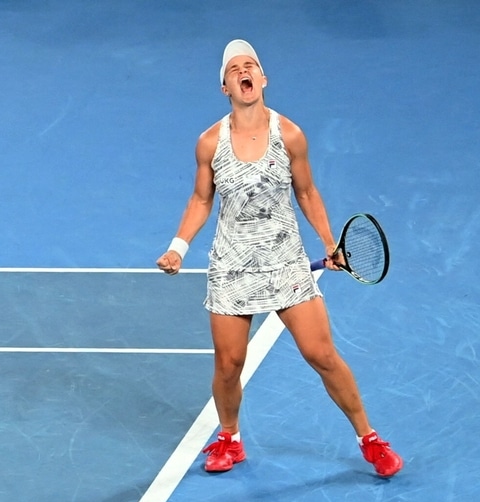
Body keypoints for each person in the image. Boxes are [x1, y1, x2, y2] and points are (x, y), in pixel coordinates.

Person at [157, 39, 403, 478]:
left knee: (322, 355)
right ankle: (229, 438)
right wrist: (179, 247)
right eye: (235, 69)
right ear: (226, 88)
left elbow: (307, 193)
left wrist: (330, 243)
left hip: (286, 263)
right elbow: (200, 198)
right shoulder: (210, 143)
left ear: (263, 79)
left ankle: (370, 439)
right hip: (232, 268)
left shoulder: (288, 135)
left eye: (251, 65)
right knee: (228, 364)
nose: (244, 71)